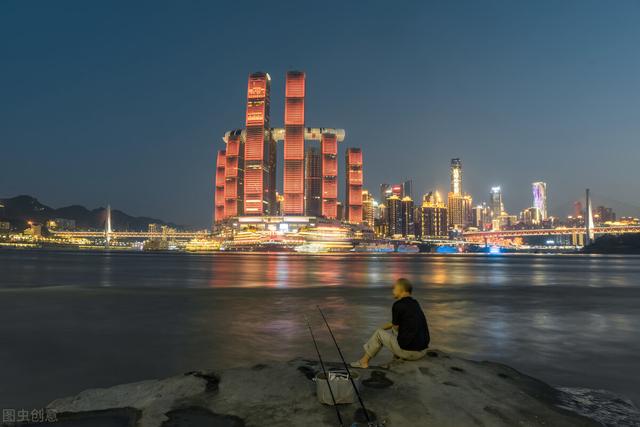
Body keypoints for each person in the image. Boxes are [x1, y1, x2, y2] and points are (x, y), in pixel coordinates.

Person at [351, 278, 430, 368]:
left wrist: (378, 332)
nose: (392, 291)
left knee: (380, 334)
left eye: (394, 288)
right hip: (423, 351)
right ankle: (396, 359)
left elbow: (395, 327)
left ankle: (363, 362)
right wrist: (380, 328)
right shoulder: (415, 303)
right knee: (390, 330)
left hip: (410, 353)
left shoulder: (398, 305)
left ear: (401, 289)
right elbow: (396, 323)